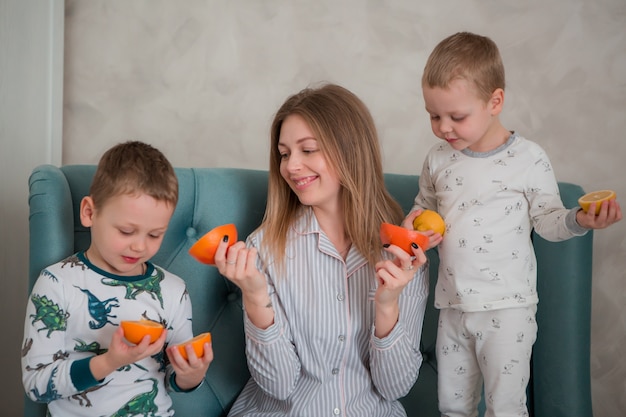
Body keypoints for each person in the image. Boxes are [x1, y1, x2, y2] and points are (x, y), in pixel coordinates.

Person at [403, 31, 622, 417]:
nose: (443, 127)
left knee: (505, 407)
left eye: (457, 116)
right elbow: (423, 209)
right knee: (452, 405)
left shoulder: (529, 159)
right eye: (434, 116)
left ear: (495, 101)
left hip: (508, 307)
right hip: (453, 305)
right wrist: (417, 226)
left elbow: (549, 221)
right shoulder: (437, 159)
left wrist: (579, 219)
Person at [213, 83, 429, 416]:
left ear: (350, 151)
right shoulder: (264, 248)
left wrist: (387, 307)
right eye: (284, 154)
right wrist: (256, 299)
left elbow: (395, 387)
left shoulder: (402, 253)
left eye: (308, 149)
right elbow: (279, 386)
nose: (291, 166)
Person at [22, 141, 213, 416]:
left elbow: (174, 377)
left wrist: (192, 374)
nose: (139, 246)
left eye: (154, 234)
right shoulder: (56, 283)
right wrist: (109, 361)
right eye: (126, 231)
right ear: (89, 212)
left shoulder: (172, 290)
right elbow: (36, 385)